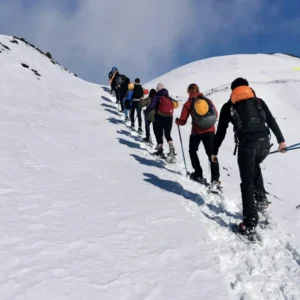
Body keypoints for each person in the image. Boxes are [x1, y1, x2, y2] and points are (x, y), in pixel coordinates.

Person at [211, 77, 287, 236]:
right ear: (247, 87)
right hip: (265, 143)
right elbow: (271, 120)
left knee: (246, 182)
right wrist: (281, 141)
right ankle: (261, 199)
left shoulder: (229, 106)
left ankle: (250, 223)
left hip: (247, 145)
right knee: (255, 166)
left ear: (233, 91)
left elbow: (221, 131)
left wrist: (214, 150)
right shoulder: (258, 101)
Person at [176, 83, 220, 188]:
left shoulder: (188, 103)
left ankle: (198, 174)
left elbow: (183, 121)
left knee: (192, 150)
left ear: (189, 92)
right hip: (210, 130)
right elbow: (216, 114)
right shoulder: (207, 100)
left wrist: (177, 121)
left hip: (197, 132)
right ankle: (215, 180)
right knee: (212, 154)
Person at [144, 83, 175, 160]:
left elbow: (151, 106)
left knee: (159, 133)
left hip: (159, 117)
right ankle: (171, 148)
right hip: (169, 118)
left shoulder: (157, 97)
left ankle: (160, 150)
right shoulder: (169, 97)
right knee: (167, 134)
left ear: (157, 89)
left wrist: (146, 111)